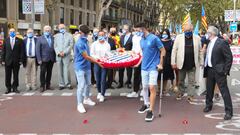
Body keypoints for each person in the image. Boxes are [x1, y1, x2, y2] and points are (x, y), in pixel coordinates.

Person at [135, 23, 166, 122]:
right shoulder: (141, 40)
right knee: (144, 87)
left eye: (138, 31)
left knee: (151, 87)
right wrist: (138, 63)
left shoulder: (154, 38)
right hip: (144, 67)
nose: (136, 33)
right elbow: (144, 54)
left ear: (143, 29)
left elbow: (163, 50)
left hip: (153, 67)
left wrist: (160, 63)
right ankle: (146, 103)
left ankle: (151, 111)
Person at [203, 26, 233, 120]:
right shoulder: (209, 42)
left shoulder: (222, 42)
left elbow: (229, 57)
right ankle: (208, 105)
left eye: (207, 32)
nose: (206, 34)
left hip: (219, 71)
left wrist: (225, 71)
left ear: (212, 33)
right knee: (209, 90)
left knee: (224, 91)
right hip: (210, 69)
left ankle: (229, 111)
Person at [171, 23, 203, 102]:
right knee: (181, 80)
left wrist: (201, 61)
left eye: (189, 30)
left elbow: (200, 51)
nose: (187, 32)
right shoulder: (179, 37)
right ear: (183, 30)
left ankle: (190, 95)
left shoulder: (197, 38)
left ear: (192, 30)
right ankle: (180, 93)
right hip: (181, 63)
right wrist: (173, 62)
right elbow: (174, 50)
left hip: (192, 63)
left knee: (191, 81)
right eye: (186, 30)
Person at [74, 25, 102, 113]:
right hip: (80, 67)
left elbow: (89, 54)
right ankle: (79, 104)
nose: (88, 35)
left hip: (87, 66)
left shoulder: (85, 41)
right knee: (81, 85)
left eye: (88, 34)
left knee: (88, 84)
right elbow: (86, 56)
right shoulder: (79, 43)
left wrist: (98, 59)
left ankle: (86, 99)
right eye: (86, 34)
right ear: (81, 33)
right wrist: (97, 62)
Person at [1, 28, 23, 94]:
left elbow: (21, 52)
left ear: (15, 32)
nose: (12, 32)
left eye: (13, 31)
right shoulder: (5, 40)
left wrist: (21, 60)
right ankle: (8, 88)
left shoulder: (19, 40)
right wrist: (2, 60)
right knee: (8, 75)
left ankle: (15, 87)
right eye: (11, 31)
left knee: (16, 75)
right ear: (9, 32)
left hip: (16, 61)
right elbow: (3, 51)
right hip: (7, 61)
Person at [91, 31, 111, 102]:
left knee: (103, 79)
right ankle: (99, 92)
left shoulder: (107, 44)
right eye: (100, 35)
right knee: (98, 79)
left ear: (105, 36)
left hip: (104, 64)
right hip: (97, 63)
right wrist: (98, 58)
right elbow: (92, 54)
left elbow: (109, 54)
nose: (101, 36)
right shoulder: (94, 44)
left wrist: (106, 56)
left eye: (102, 35)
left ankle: (102, 94)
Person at [36, 25, 56, 93]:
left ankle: (48, 85)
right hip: (43, 59)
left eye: (49, 30)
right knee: (42, 73)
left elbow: (54, 48)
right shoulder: (40, 38)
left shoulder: (52, 38)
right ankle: (42, 86)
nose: (47, 31)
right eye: (46, 30)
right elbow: (37, 50)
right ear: (43, 31)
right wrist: (39, 59)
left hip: (51, 59)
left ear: (50, 31)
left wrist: (55, 58)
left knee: (49, 73)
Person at [54, 24, 74, 90]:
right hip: (59, 55)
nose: (62, 29)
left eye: (63, 27)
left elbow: (71, 45)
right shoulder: (56, 36)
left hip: (66, 55)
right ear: (58, 29)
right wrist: (58, 53)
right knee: (60, 70)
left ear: (65, 28)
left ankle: (68, 84)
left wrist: (64, 52)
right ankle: (61, 84)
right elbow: (55, 46)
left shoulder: (70, 35)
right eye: (60, 28)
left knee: (66, 70)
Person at [126, 27, 142, 98]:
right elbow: (134, 47)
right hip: (136, 57)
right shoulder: (134, 37)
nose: (136, 32)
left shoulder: (144, 37)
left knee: (143, 75)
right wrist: (132, 52)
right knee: (136, 74)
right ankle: (135, 91)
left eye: (138, 30)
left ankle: (143, 91)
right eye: (135, 30)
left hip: (143, 57)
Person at [158, 29, 175, 96]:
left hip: (168, 60)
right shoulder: (159, 41)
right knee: (158, 76)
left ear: (168, 34)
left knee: (165, 75)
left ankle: (164, 89)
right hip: (159, 59)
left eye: (166, 33)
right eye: (163, 33)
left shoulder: (171, 42)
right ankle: (159, 89)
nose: (164, 35)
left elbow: (172, 51)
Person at [118, 24, 133, 89]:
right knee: (120, 69)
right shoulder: (122, 36)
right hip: (121, 55)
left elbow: (134, 46)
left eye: (126, 28)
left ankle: (129, 82)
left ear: (128, 29)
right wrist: (120, 49)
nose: (124, 30)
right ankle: (120, 83)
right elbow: (120, 45)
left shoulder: (133, 37)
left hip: (129, 55)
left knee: (129, 70)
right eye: (123, 28)